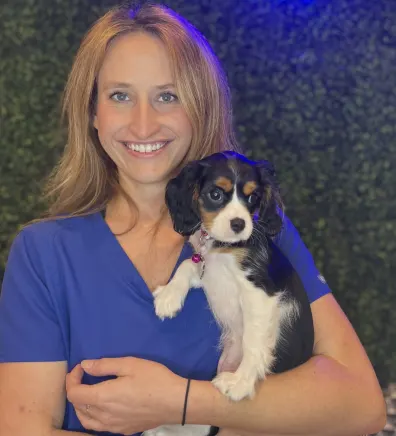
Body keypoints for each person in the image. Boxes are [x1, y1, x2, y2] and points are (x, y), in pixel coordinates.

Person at [0, 3, 386, 436]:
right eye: (119, 96)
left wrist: (180, 401)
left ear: (199, 106)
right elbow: (22, 429)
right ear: (92, 112)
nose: (143, 124)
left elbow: (360, 404)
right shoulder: (42, 254)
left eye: (168, 96)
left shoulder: (258, 227)